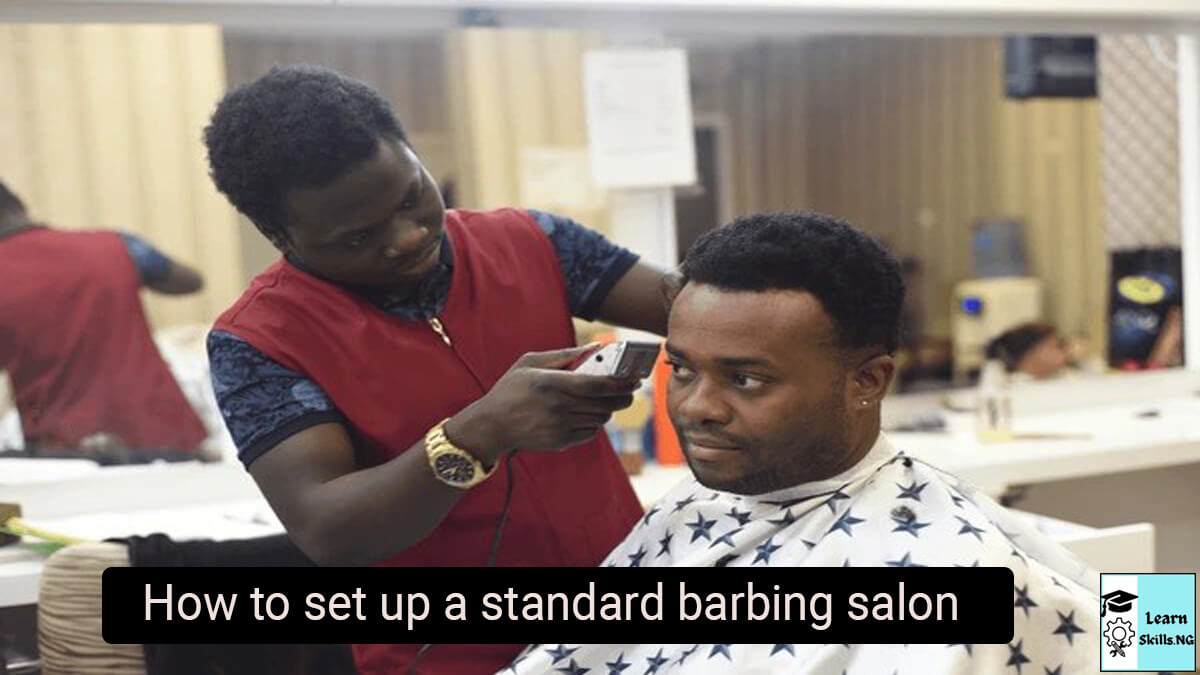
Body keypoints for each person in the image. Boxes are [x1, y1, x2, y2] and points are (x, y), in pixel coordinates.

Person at [202, 65, 670, 674]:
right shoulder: (261, 340)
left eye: (413, 195)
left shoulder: (531, 240)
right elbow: (330, 531)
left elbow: (691, 306)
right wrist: (477, 434)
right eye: (357, 238)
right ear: (277, 233)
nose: (408, 236)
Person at [505, 212, 1100, 674]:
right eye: (683, 369)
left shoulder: (961, 558)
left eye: (745, 380)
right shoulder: (694, 508)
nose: (694, 408)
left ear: (867, 381)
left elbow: (1167, 630)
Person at [0, 180, 209, 457]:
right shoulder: (117, 245)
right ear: (19, 204)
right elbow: (190, 282)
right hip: (163, 436)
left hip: (63, 455)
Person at [985, 322, 1075, 380]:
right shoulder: (1019, 391)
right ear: (1032, 353)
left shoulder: (1061, 378)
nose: (1066, 349)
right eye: (1058, 345)